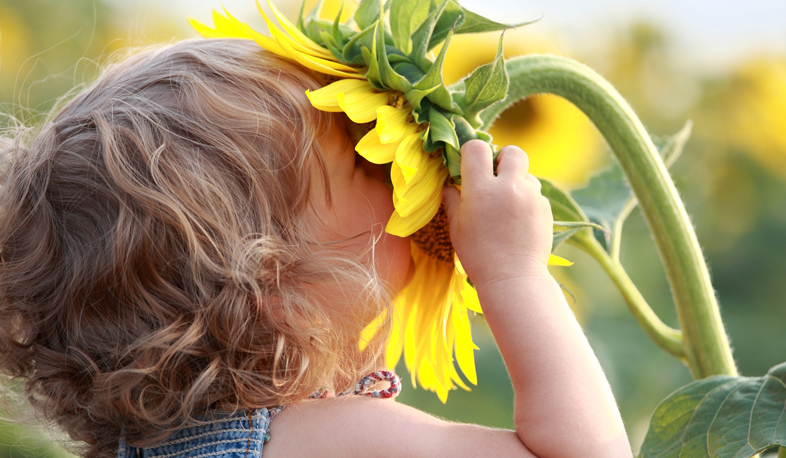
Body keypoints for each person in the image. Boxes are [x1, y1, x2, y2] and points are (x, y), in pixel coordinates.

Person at [0, 39, 632, 458]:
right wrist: (514, 274)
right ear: (280, 295)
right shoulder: (333, 441)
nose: (395, 174)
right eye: (364, 162)